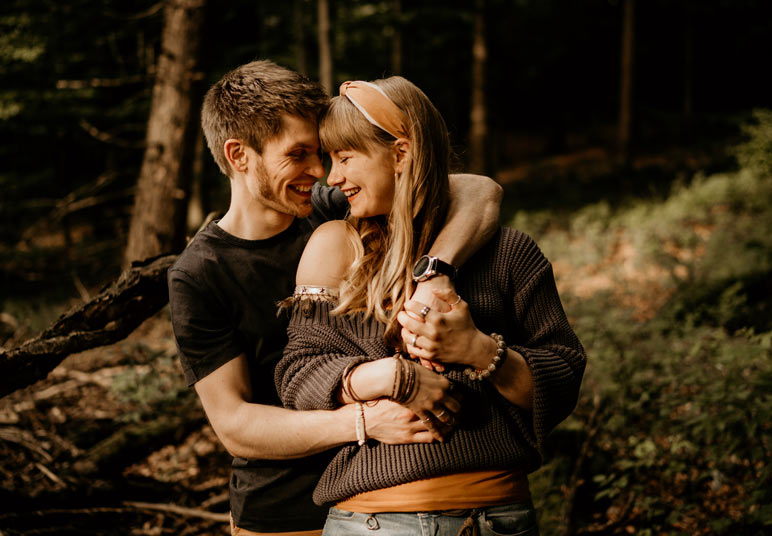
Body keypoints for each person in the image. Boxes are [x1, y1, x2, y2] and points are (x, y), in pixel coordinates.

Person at [167, 61, 504, 536]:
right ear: (239, 155)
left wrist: (436, 271)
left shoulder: (331, 206)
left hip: (380, 502)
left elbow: (479, 191)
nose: (320, 171)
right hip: (283, 515)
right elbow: (235, 424)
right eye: (299, 154)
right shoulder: (198, 275)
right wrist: (363, 421)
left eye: (322, 154)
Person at [275, 77, 586, 535]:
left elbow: (562, 385)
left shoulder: (509, 253)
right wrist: (385, 377)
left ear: (401, 154)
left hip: (497, 520)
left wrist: (481, 351)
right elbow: (296, 374)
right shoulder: (337, 248)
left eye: (345, 158)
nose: (333, 178)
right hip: (372, 521)